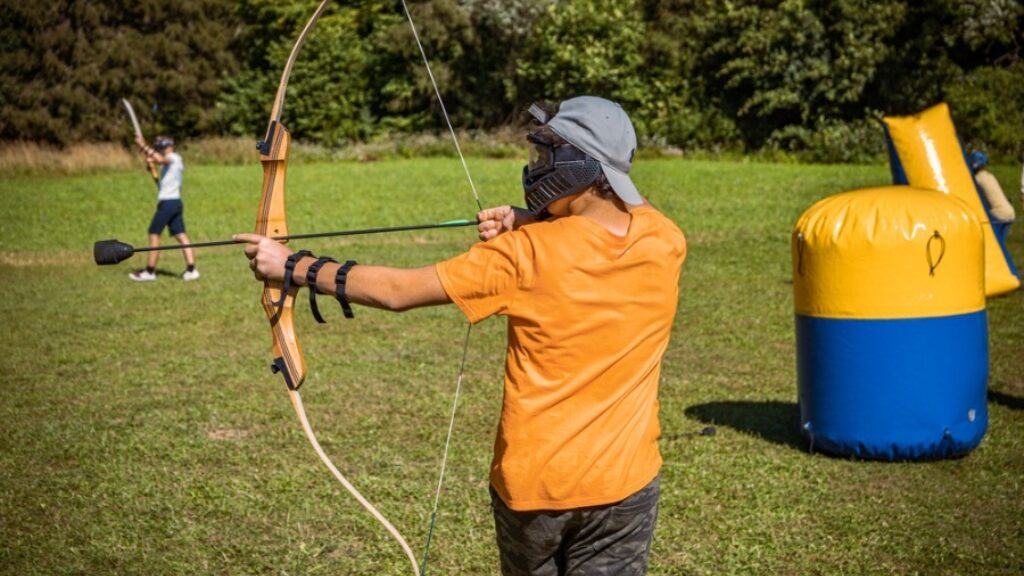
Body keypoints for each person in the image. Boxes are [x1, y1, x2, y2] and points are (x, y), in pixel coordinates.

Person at [237, 96, 686, 575]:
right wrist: (532, 217)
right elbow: (624, 214)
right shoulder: (665, 240)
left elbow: (398, 291)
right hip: (628, 485)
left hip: (537, 490)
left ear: (576, 167)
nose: (535, 168)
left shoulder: (523, 254)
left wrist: (293, 266)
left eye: (546, 157)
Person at [129, 134, 199, 281]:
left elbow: (161, 159)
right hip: (173, 202)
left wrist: (142, 145)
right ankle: (191, 270)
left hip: (169, 203)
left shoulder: (174, 157)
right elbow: (160, 182)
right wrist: (152, 168)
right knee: (181, 235)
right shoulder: (168, 164)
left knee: (154, 233)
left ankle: (149, 271)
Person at [969, 150, 1015, 240]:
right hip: (1010, 212)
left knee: (991, 239)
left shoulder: (978, 180)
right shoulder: (990, 176)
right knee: (1000, 241)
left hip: (999, 214)